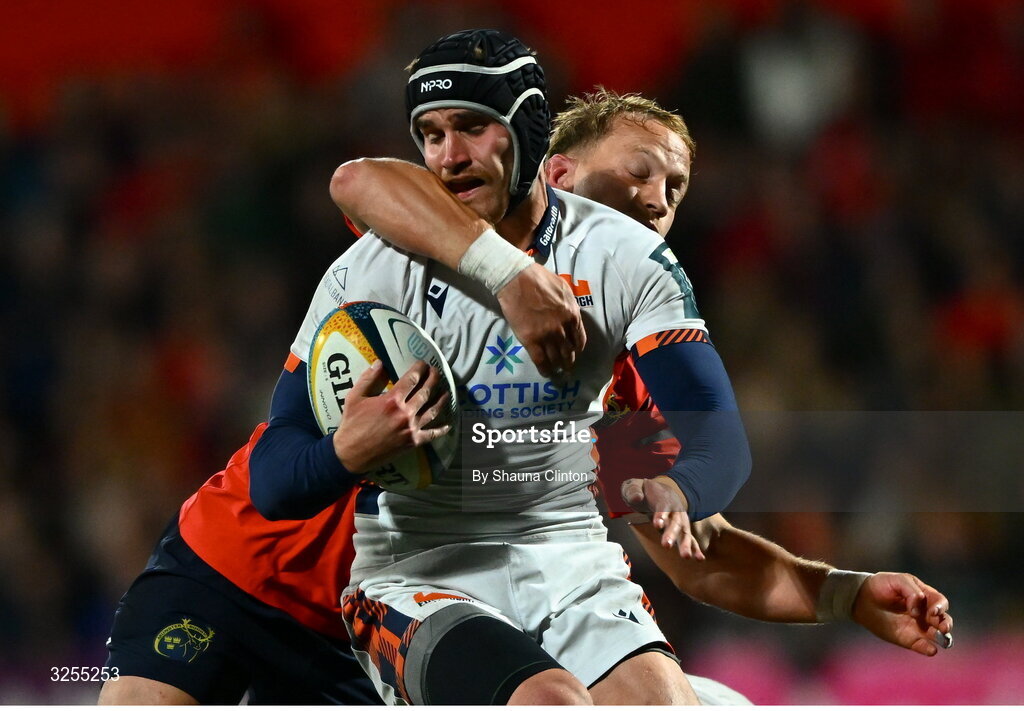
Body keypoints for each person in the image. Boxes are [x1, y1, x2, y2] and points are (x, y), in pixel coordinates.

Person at [317, 28, 754, 705]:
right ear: (558, 164)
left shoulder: (628, 268)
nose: (655, 198)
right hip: (419, 562)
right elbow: (354, 180)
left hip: (564, 558)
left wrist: (684, 491)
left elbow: (717, 447)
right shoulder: (402, 240)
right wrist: (511, 275)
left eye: (675, 184)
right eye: (635, 171)